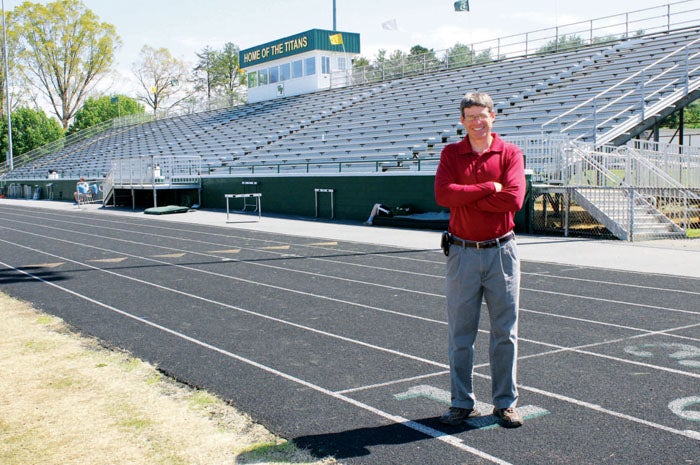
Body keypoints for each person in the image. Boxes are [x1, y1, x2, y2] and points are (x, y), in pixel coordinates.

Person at [434, 91, 526, 428]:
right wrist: (489, 187)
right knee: (461, 335)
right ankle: (462, 402)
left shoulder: (510, 152)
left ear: (493, 117)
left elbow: (514, 199)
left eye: (482, 115)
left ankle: (505, 403)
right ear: (462, 120)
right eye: (470, 116)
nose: (476, 121)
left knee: (505, 333)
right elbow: (443, 195)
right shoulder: (451, 153)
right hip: (461, 253)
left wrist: (466, 198)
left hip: (501, 252)